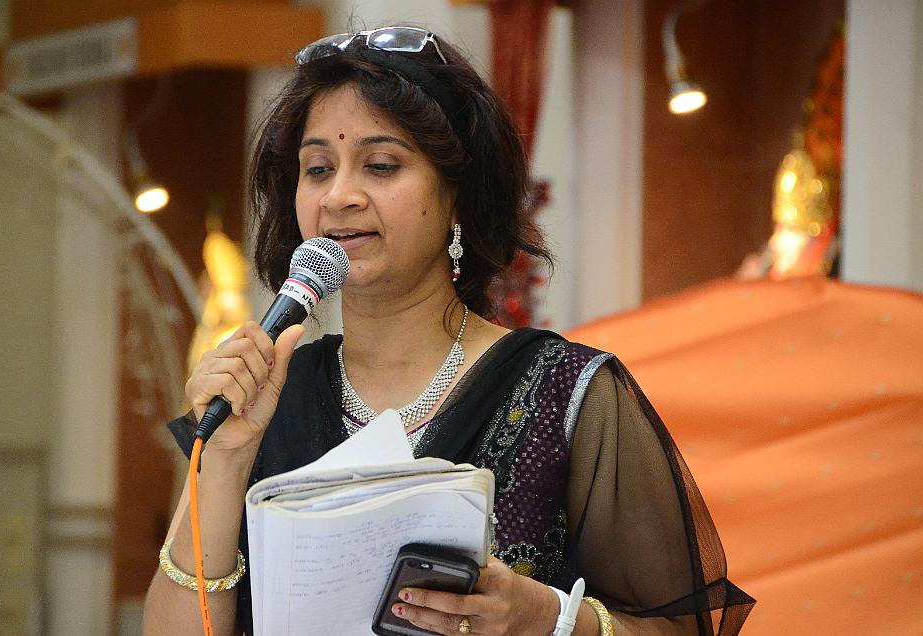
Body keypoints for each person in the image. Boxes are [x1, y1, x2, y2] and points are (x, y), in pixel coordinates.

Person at [143, 26, 754, 636]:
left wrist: (550, 620)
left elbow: (680, 629)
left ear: (458, 195)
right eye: (318, 168)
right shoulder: (261, 401)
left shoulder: (565, 394)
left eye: (381, 166)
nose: (340, 196)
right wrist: (222, 462)